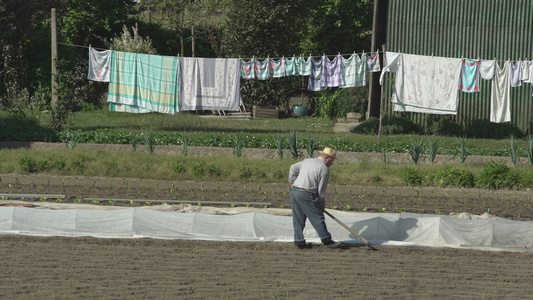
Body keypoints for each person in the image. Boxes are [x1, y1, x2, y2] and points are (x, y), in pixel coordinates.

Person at [288, 147, 342, 249]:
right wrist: (321, 204)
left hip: (295, 191)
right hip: (306, 194)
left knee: (298, 218)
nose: (332, 163)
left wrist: (292, 182)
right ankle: (327, 241)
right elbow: (321, 191)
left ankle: (299, 242)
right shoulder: (324, 169)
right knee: (317, 217)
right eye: (332, 160)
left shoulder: (307, 161)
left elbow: (293, 168)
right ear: (327, 158)